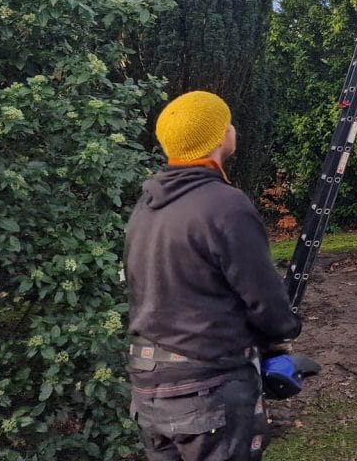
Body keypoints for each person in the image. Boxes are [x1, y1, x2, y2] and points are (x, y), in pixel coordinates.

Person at [125, 91, 302, 460]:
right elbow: (263, 297)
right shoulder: (224, 205)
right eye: (228, 122)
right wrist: (282, 331)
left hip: (149, 387)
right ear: (220, 137)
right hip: (208, 390)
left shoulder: (146, 207)